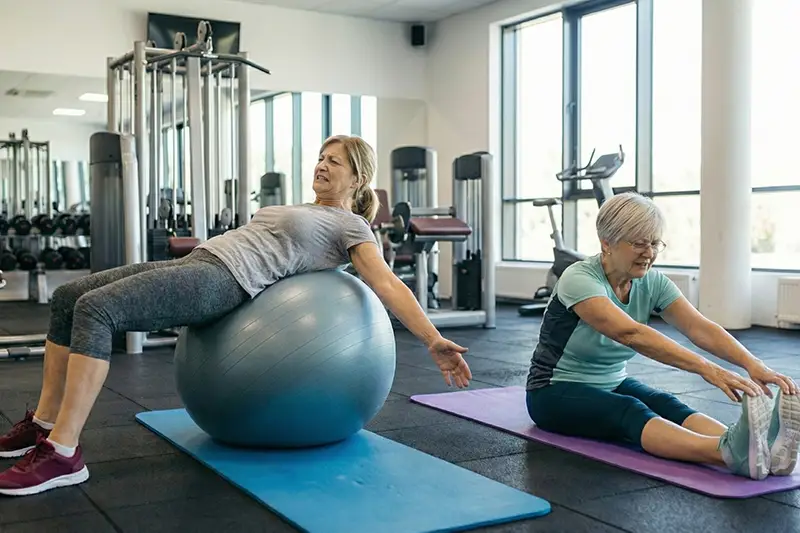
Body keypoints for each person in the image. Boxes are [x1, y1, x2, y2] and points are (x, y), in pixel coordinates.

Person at [0, 135, 473, 497]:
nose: (322, 165)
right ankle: (41, 424)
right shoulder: (304, 207)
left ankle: (64, 451)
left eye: (335, 161)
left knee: (96, 310)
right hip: (199, 261)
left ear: (357, 178)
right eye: (321, 157)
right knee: (67, 297)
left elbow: (384, 281)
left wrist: (433, 339)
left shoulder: (351, 225)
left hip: (223, 280)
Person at [526, 192, 800, 481]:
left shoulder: (651, 281)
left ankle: (759, 449)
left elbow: (698, 327)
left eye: (654, 243)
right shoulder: (578, 279)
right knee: (629, 410)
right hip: (552, 392)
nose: (649, 252)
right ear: (606, 243)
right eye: (638, 243)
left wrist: (752, 363)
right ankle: (727, 453)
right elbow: (630, 333)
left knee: (665, 403)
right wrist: (708, 369)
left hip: (611, 382)